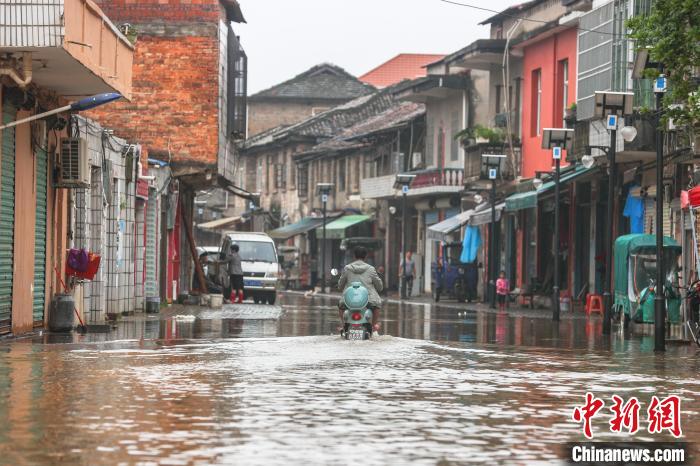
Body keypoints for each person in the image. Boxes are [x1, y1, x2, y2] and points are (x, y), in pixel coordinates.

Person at [338, 246, 383, 331]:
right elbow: (379, 286)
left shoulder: (347, 268)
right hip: (368, 300)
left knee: (341, 306)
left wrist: (341, 286)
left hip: (349, 300)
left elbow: (340, 285)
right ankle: (373, 326)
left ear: (354, 256)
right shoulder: (371, 269)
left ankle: (344, 325)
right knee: (377, 305)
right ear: (365, 256)